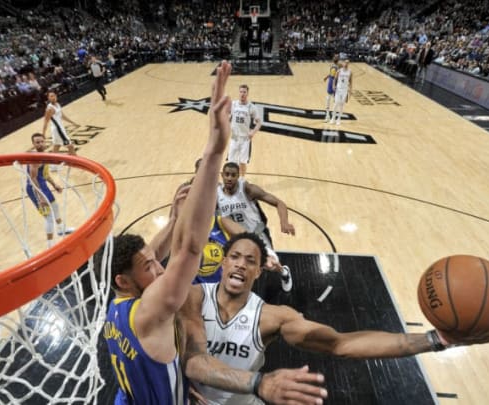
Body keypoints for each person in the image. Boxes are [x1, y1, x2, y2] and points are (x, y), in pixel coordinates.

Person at [102, 61, 327, 405]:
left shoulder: (117, 308)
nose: (158, 266)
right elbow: (186, 252)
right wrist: (214, 149)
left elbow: (158, 251)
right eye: (149, 267)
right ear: (124, 280)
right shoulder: (152, 308)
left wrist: (176, 219)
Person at [181, 233, 489, 405]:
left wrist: (436, 340)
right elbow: (193, 361)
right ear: (223, 263)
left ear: (259, 270)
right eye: (234, 257)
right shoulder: (193, 299)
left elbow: (343, 344)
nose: (240, 265)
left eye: (250, 261)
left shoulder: (272, 317)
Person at [217, 162, 294, 292]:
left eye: (233, 175)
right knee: (233, 266)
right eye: (227, 174)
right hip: (236, 238)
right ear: (222, 175)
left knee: (271, 265)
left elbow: (279, 203)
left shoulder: (248, 189)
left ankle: (283, 271)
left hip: (257, 234)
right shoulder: (216, 194)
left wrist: (284, 222)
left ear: (238, 176)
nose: (230, 178)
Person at [26, 133, 74, 248]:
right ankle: (50, 245)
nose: (40, 144)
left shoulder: (44, 155)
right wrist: (40, 196)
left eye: (42, 141)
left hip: (43, 185)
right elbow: (33, 179)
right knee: (48, 217)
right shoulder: (35, 159)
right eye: (37, 142)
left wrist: (54, 185)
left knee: (55, 206)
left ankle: (61, 229)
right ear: (33, 144)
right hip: (35, 188)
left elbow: (45, 174)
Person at [228, 84, 261, 178]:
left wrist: (253, 132)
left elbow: (259, 122)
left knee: (242, 162)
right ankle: (232, 180)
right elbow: (228, 117)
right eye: (241, 92)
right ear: (239, 92)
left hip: (245, 139)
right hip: (234, 137)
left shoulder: (251, 107)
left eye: (244, 92)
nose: (242, 94)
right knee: (231, 162)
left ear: (247, 93)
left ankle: (242, 180)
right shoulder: (233, 104)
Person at [42, 91, 79, 155]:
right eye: (51, 96)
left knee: (56, 147)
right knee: (70, 146)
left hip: (60, 128)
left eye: (54, 95)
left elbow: (62, 116)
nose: (53, 97)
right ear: (48, 98)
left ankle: (52, 163)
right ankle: (77, 162)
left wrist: (73, 123)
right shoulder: (50, 109)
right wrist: (43, 134)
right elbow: (46, 121)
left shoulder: (57, 104)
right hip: (57, 129)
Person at [331, 60, 352, 125]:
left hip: (345, 90)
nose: (346, 64)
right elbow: (335, 79)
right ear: (343, 63)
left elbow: (351, 82)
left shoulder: (350, 72)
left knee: (341, 105)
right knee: (336, 103)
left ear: (348, 64)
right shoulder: (339, 71)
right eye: (345, 62)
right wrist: (333, 85)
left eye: (347, 63)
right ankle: (333, 118)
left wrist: (350, 90)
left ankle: (339, 119)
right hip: (338, 89)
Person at [323, 54, 339, 123]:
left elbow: (334, 76)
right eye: (334, 56)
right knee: (330, 100)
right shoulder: (335, 66)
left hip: (333, 83)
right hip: (332, 82)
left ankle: (330, 117)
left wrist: (334, 84)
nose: (334, 58)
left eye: (336, 57)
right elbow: (331, 74)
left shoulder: (336, 67)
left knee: (331, 100)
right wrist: (326, 77)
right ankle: (329, 117)